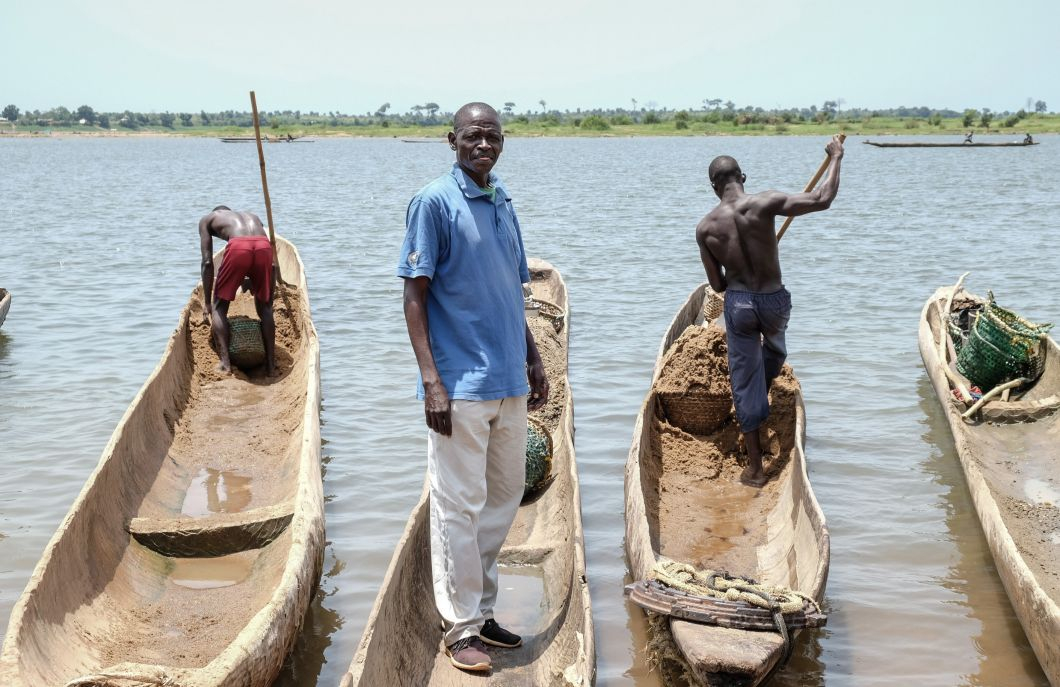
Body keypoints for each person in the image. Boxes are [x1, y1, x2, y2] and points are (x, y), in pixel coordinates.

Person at [398, 102, 549, 673]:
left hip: (509, 379)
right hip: (459, 385)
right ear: (452, 140)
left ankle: (482, 612)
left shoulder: (502, 199)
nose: (484, 145)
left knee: (503, 497)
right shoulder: (434, 202)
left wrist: (533, 358)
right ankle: (460, 627)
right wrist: (431, 381)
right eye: (473, 136)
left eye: (493, 136)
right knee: (457, 506)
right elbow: (414, 296)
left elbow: (512, 289)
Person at [696, 135, 844, 487]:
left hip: (740, 305)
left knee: (744, 379)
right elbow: (822, 199)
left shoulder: (706, 228)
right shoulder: (766, 202)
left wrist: (736, 268)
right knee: (775, 352)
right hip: (774, 301)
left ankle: (756, 469)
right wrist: (837, 157)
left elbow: (717, 285)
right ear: (742, 177)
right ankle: (756, 400)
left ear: (713, 187)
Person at [198, 206, 277, 375]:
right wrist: (267, 294)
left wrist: (207, 303)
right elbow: (263, 258)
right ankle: (271, 366)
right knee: (265, 307)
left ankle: (225, 364)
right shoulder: (252, 216)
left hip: (238, 248)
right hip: (264, 247)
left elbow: (207, 263)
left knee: (219, 307)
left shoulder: (207, 220)